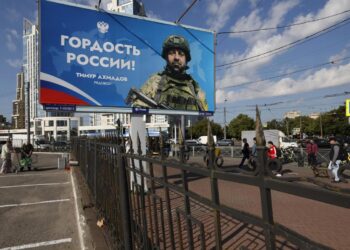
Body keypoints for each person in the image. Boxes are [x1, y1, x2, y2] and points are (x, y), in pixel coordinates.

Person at [126, 35, 208, 111]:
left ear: (186, 59)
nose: (176, 57)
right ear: (166, 57)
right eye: (172, 53)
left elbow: (204, 116)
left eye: (181, 54)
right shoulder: (155, 82)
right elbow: (138, 112)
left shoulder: (194, 87)